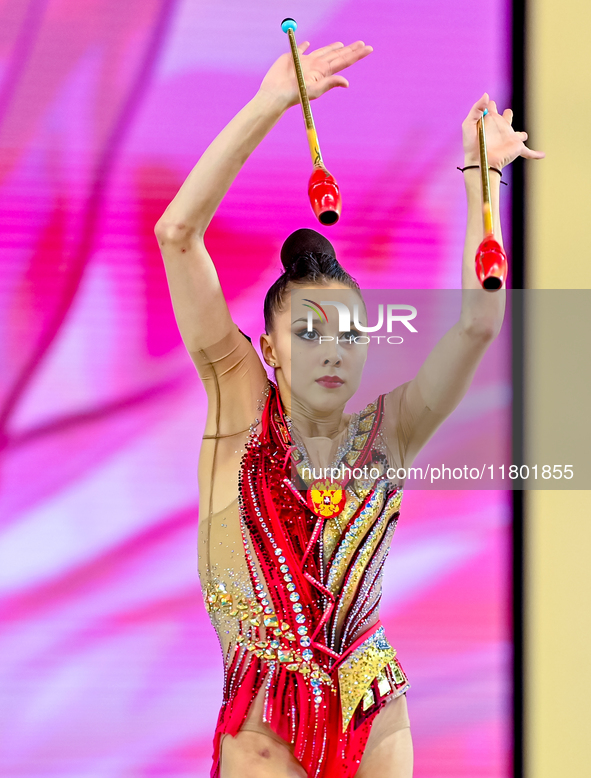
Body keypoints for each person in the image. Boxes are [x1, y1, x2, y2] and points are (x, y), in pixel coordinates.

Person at [154, 36, 543, 778]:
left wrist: (481, 178)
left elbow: (479, 323)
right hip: (263, 705)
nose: (331, 349)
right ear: (266, 348)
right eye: (306, 331)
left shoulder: (389, 429)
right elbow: (177, 234)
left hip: (369, 700)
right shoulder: (239, 399)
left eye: (348, 333)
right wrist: (270, 103)